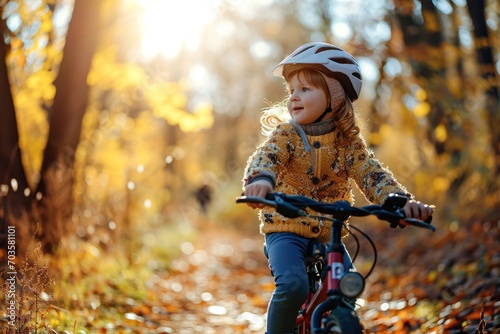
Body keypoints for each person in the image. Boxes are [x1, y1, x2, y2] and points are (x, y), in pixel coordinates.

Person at [241, 42, 434, 334]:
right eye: (291, 90)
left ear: (334, 96)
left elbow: (372, 174)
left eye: (305, 89)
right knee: (293, 286)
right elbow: (266, 158)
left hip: (328, 230)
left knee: (348, 289)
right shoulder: (287, 134)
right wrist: (261, 181)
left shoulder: (347, 144)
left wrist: (400, 202)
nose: (294, 97)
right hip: (285, 227)